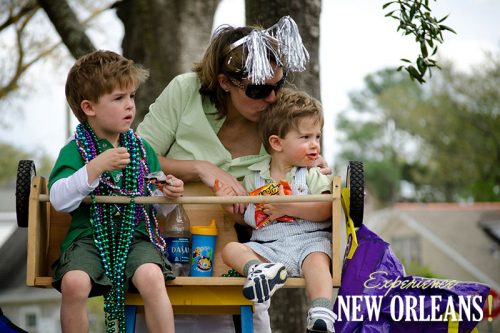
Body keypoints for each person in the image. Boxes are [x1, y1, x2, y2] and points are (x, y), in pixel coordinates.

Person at [137, 16, 315, 332]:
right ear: (224, 82)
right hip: (167, 259)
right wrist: (200, 168)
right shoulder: (184, 91)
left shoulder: (282, 115)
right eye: (259, 89)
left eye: (279, 84)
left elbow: (302, 166)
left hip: (238, 268)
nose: (272, 98)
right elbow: (137, 156)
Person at [49, 50, 184, 333]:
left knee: (151, 276)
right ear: (89, 108)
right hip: (89, 238)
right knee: (74, 283)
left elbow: (159, 206)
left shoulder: (142, 150)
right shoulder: (75, 150)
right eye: (118, 98)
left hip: (135, 236)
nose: (130, 106)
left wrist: (169, 194)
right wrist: (94, 168)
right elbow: (59, 198)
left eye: (132, 97)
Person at [215, 88, 337, 333]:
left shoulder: (313, 173)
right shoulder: (254, 176)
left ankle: (321, 312)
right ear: (277, 143)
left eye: (317, 136)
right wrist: (231, 208)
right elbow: (251, 220)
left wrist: (287, 205)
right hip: (268, 246)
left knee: (318, 264)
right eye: (305, 137)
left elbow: (325, 209)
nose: (314, 145)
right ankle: (259, 271)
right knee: (231, 250)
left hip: (308, 241)